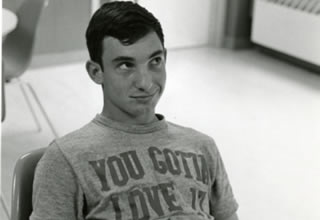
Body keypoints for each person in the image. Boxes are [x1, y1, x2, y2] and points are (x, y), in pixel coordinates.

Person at [30, 2, 239, 220]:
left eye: (155, 61)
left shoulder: (203, 147)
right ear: (95, 72)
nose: (145, 82)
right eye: (125, 65)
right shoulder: (66, 159)